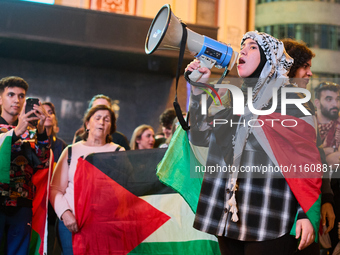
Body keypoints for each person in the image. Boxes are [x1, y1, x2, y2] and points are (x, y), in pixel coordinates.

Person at [187, 31, 322, 255]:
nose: (243, 51)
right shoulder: (233, 99)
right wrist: (200, 88)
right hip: (228, 216)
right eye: (243, 46)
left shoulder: (293, 101)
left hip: (270, 214)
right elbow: (200, 135)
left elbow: (307, 162)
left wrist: (306, 213)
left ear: (271, 58)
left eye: (252, 47)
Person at [282, 39, 335, 254]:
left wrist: (326, 198)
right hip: (280, 210)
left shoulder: (305, 103)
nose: (310, 73)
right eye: (305, 67)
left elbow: (314, 154)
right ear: (290, 67)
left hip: (306, 203)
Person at [50, 104, 125, 255]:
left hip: (105, 224)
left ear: (111, 127)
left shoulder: (118, 152)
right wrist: (65, 213)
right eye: (97, 118)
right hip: (72, 224)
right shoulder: (71, 150)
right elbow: (56, 189)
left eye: (107, 119)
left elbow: (125, 189)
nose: (102, 122)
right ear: (87, 124)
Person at [0, 76, 50, 254]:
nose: (16, 100)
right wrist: (15, 133)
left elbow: (43, 162)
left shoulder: (30, 131)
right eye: (11, 94)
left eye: (21, 96)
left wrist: (42, 132)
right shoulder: (18, 129)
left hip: (22, 204)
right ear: (0, 98)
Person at [313, 82, 340, 254]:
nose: (335, 104)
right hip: (312, 191)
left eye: (337, 99)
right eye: (329, 99)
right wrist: (328, 154)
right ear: (317, 102)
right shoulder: (308, 121)